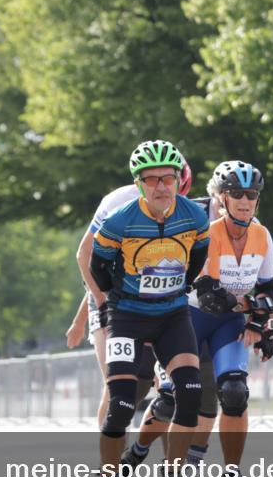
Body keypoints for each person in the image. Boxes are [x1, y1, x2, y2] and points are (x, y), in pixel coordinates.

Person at [122, 162, 273, 477]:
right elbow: (211, 297)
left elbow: (270, 289)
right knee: (170, 401)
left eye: (250, 195)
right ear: (220, 199)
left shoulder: (263, 236)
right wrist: (255, 308)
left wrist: (262, 325)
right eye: (236, 194)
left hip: (228, 327)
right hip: (189, 321)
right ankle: (136, 453)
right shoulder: (203, 233)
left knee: (235, 395)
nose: (244, 201)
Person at [89, 140, 209, 477]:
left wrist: (178, 287)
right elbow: (98, 265)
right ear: (139, 184)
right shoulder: (119, 221)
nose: (161, 187)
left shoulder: (194, 216)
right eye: (152, 179)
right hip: (128, 317)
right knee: (122, 404)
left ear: (178, 180)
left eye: (168, 178)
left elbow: (198, 259)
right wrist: (121, 294)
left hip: (173, 316)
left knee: (190, 391)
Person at [66, 161, 194, 425]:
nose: (166, 199)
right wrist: (99, 304)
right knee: (119, 386)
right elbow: (85, 256)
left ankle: (167, 462)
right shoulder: (119, 203)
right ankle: (109, 461)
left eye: (174, 192)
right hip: (111, 299)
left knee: (168, 391)